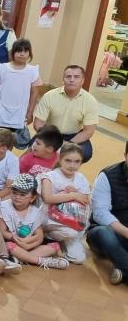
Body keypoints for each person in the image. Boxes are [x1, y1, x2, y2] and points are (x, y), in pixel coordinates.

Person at [32, 65, 98, 162]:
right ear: (63, 79)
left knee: (86, 153)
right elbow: (38, 123)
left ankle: (66, 170)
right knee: (33, 148)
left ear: (83, 80)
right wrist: (49, 139)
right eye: (68, 77)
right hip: (50, 133)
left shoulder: (90, 101)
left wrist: (68, 143)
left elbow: (88, 131)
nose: (72, 80)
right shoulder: (49, 96)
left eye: (76, 77)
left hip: (74, 136)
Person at [40, 143, 91, 264]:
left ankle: (62, 242)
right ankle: (46, 236)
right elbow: (47, 198)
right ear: (59, 158)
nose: (72, 165)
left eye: (77, 162)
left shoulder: (81, 178)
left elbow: (86, 201)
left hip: (72, 221)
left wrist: (77, 193)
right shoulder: (49, 176)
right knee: (70, 232)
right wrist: (72, 195)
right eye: (68, 160)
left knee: (79, 259)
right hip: (49, 219)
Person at [89, 140, 128, 285]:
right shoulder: (108, 175)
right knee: (103, 233)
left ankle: (123, 270)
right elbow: (100, 213)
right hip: (109, 232)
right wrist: (125, 231)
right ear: (125, 155)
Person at [0, 39, 40, 135]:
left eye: (25, 51)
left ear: (30, 53)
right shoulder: (2, 68)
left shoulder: (33, 71)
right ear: (13, 53)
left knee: (12, 138)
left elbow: (34, 92)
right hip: (0, 110)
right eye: (19, 51)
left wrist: (30, 112)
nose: (22, 54)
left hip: (19, 112)